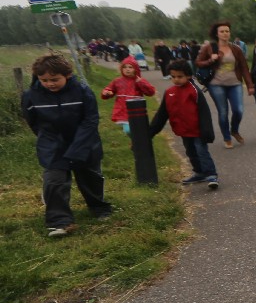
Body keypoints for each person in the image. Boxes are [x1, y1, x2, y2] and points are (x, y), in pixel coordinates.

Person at [21, 54, 113, 237]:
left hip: (84, 142)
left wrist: (79, 146)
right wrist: (48, 139)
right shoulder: (31, 96)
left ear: (67, 75)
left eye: (55, 79)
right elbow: (33, 122)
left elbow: (90, 120)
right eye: (44, 80)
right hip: (52, 145)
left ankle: (99, 207)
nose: (50, 84)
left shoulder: (82, 92)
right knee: (54, 180)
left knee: (90, 177)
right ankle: (60, 221)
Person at [150, 60, 219, 189]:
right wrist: (150, 133)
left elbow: (204, 113)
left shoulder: (194, 91)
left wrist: (207, 131)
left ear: (188, 76)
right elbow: (161, 115)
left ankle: (211, 174)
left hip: (197, 131)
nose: (176, 79)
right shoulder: (169, 92)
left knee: (202, 152)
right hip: (183, 130)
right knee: (191, 152)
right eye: (173, 76)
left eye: (180, 76)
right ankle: (199, 173)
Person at [196, 22, 254, 149]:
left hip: (235, 83)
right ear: (217, 34)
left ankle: (234, 130)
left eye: (227, 31)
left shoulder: (236, 49)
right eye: (222, 31)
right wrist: (211, 60)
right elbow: (198, 62)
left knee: (238, 110)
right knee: (223, 112)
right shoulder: (209, 48)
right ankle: (227, 137)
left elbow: (244, 68)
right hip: (216, 84)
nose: (225, 33)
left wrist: (250, 85)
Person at [100, 55, 156, 136]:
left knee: (138, 130)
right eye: (125, 67)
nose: (127, 69)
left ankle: (138, 141)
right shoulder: (117, 81)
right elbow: (109, 89)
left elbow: (150, 92)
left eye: (130, 67)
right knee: (128, 130)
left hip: (137, 110)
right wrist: (106, 92)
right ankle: (135, 140)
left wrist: (141, 82)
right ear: (121, 69)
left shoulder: (139, 81)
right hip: (122, 110)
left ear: (135, 69)